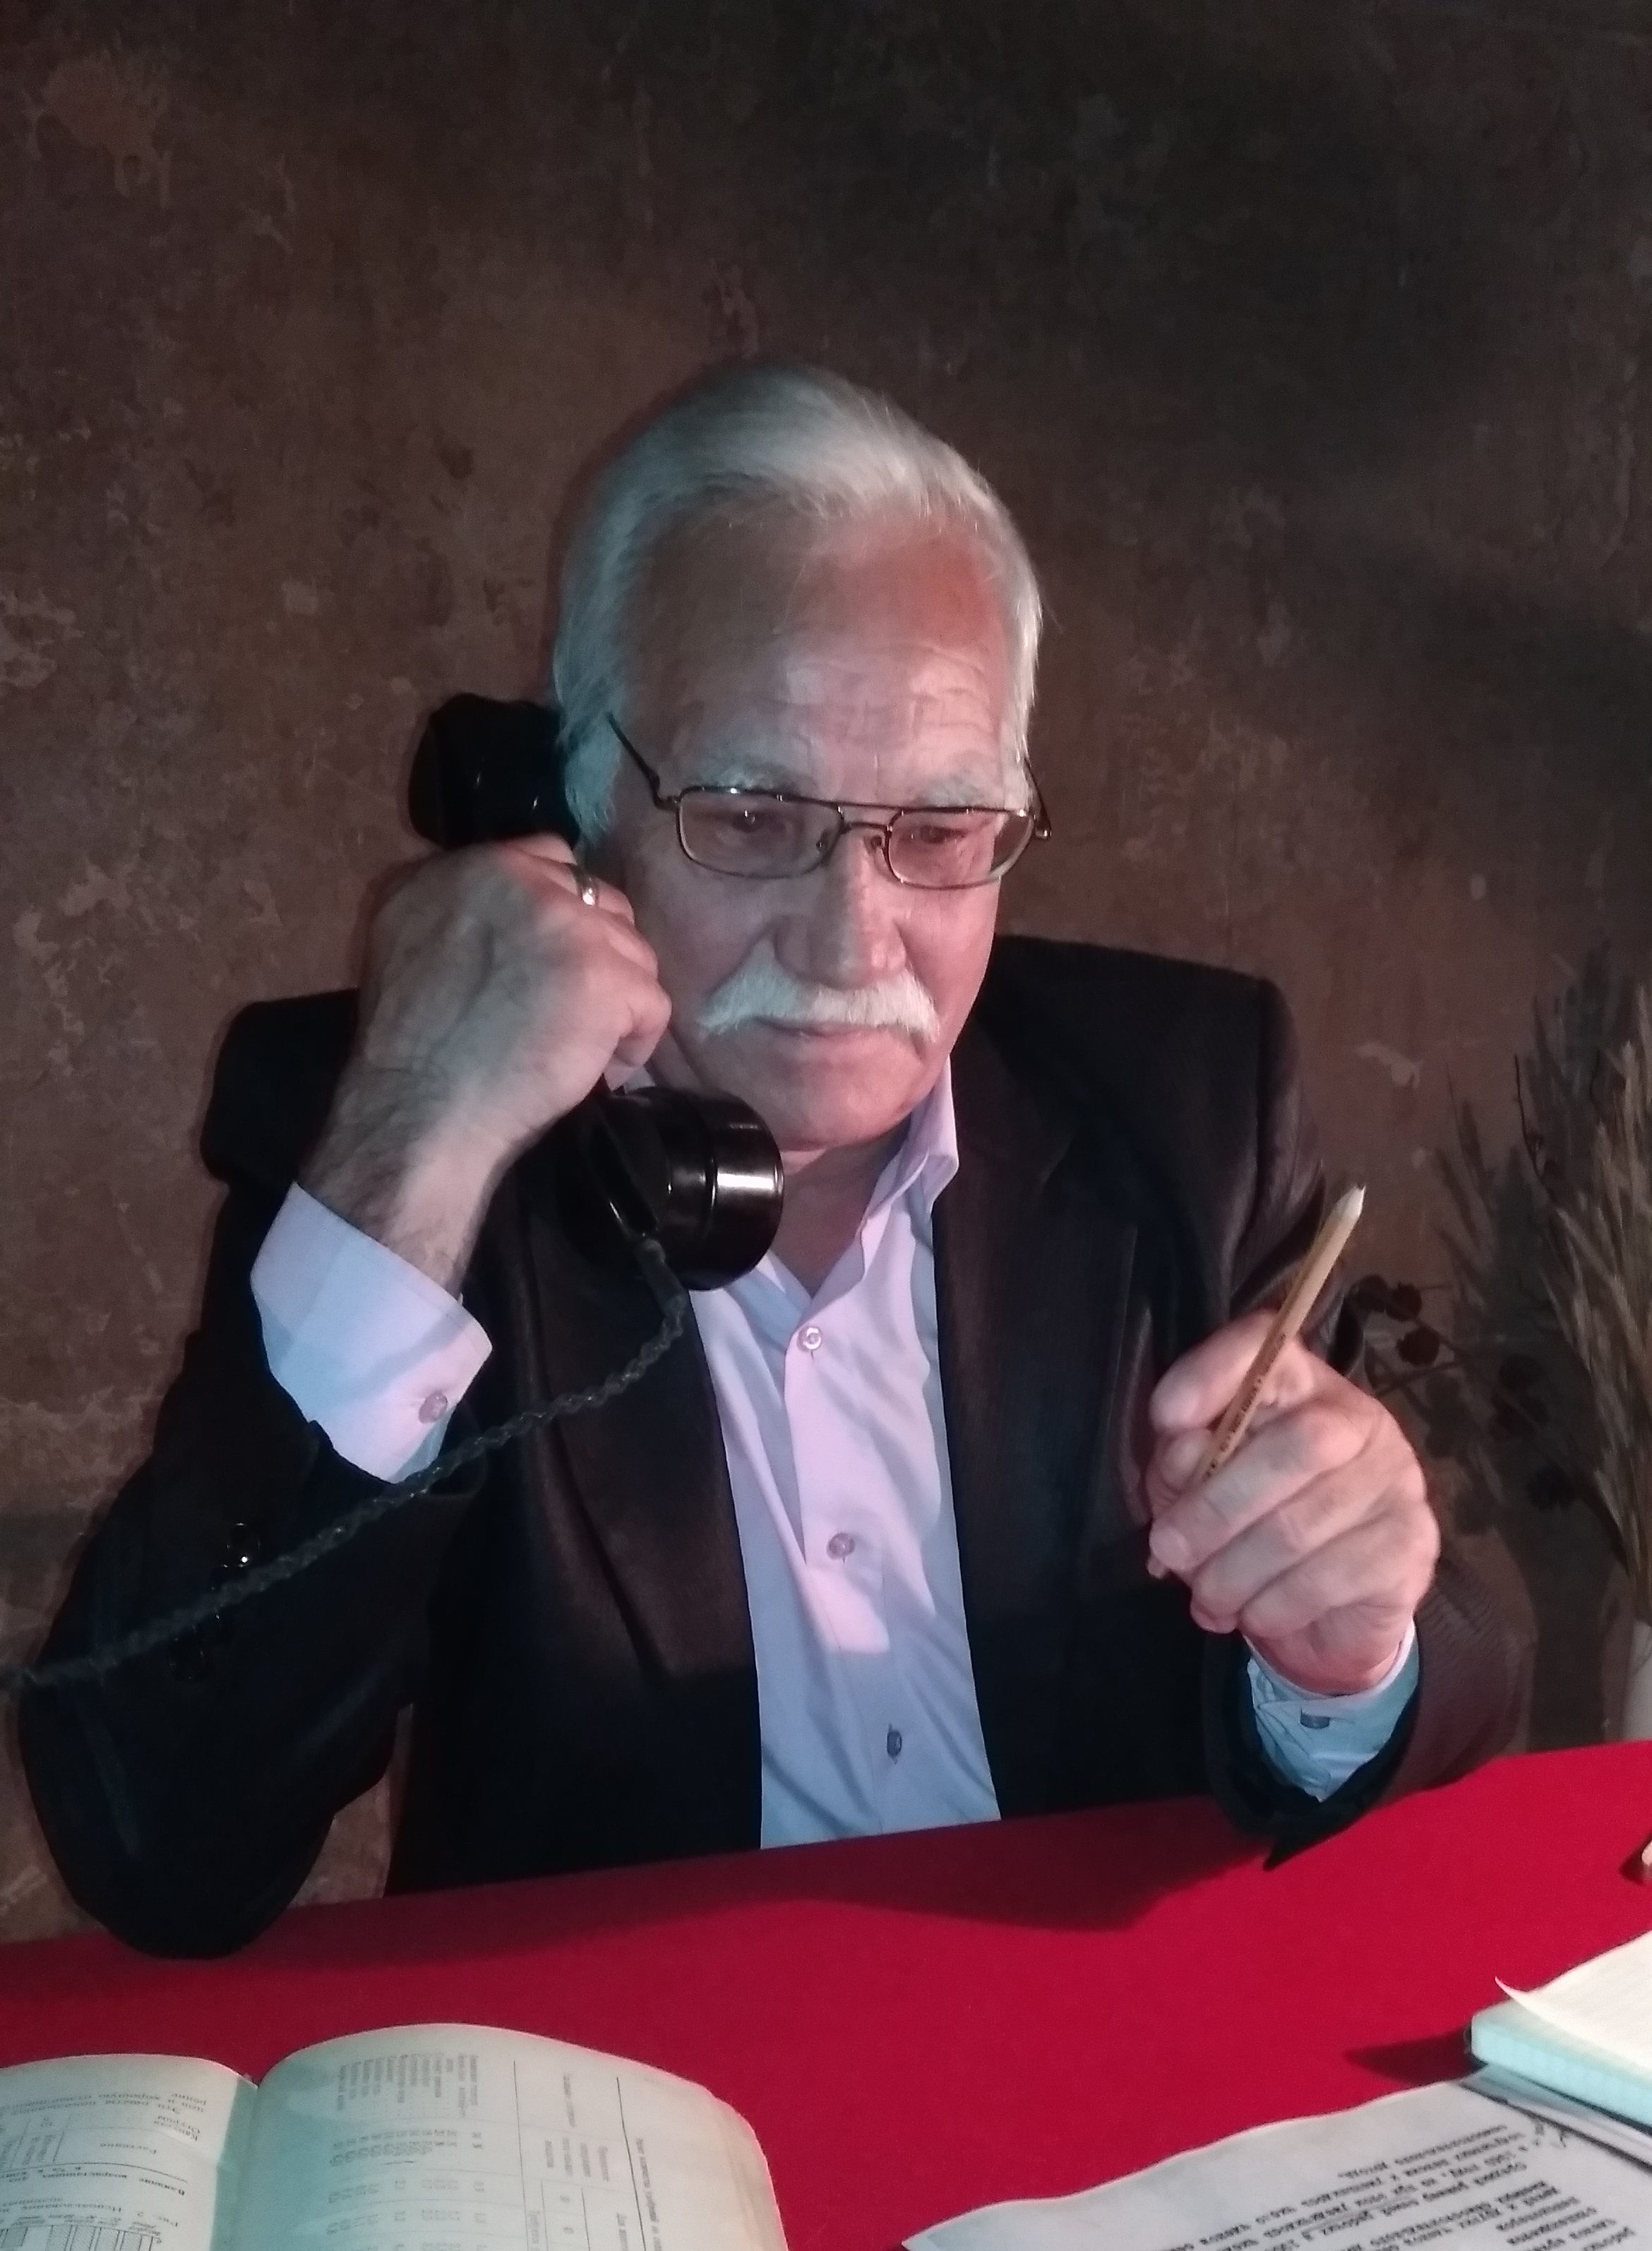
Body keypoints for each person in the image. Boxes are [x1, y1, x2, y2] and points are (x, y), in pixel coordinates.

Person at [21, 365, 1523, 1955]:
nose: (851, 935)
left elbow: (1437, 1669)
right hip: (616, 2068)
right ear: (570, 797)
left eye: (939, 831)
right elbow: (158, 1846)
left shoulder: (1191, 1101)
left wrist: (1342, 1651)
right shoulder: (405, 1120)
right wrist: (412, 1143)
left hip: (1083, 2048)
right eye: (747, 815)